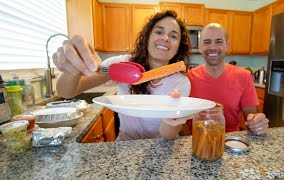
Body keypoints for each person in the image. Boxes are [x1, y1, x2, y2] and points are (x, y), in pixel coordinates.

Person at [52, 10, 191, 140]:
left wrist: (171, 120)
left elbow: (168, 135)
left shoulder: (181, 82)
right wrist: (73, 67)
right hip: (125, 145)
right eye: (159, 32)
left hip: (161, 147)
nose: (165, 38)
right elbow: (67, 92)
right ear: (147, 37)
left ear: (179, 46)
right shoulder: (122, 64)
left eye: (173, 36)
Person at [186, 23, 269, 135]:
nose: (213, 47)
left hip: (230, 141)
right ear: (200, 47)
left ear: (227, 46)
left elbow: (250, 116)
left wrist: (257, 122)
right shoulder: (187, 79)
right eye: (207, 42)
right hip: (196, 141)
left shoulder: (244, 76)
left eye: (219, 42)